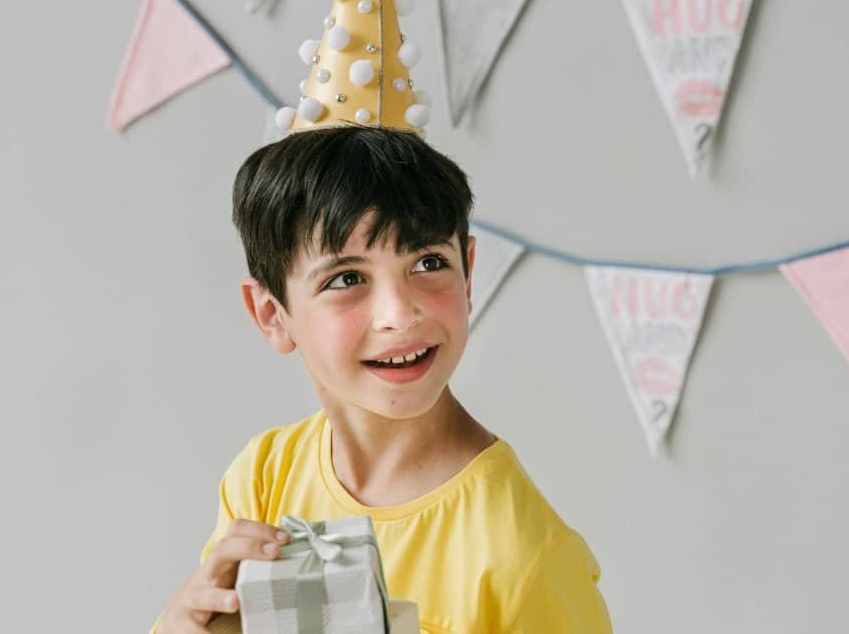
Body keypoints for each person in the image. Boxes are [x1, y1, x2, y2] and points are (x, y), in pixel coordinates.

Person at [150, 125, 612, 634]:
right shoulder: (263, 479)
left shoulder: (525, 558)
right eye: (347, 278)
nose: (399, 314)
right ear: (272, 315)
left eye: (429, 262)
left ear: (469, 274)